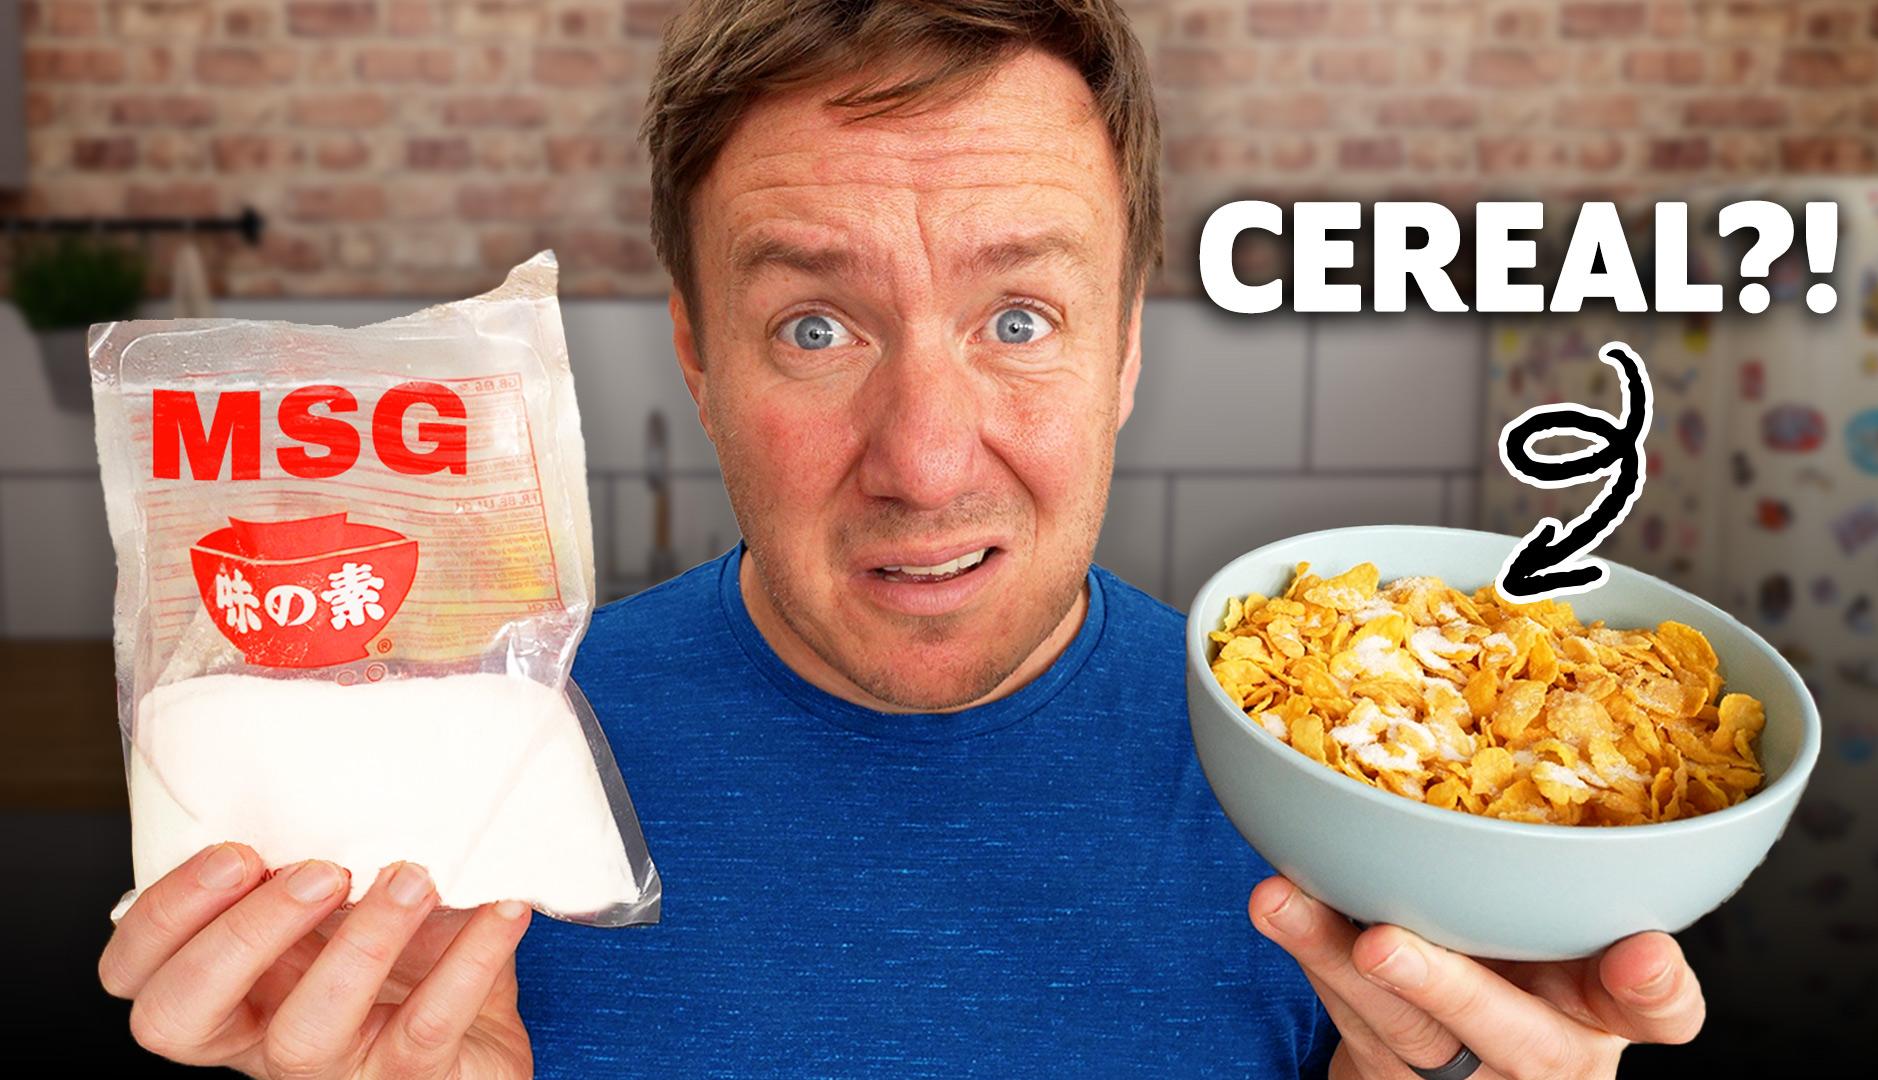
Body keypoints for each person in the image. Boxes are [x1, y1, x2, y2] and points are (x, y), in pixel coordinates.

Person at [98, 2, 1707, 1077]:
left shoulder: (1369, 809)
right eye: (814, 327)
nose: (927, 461)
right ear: (696, 355)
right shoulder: (464, 806)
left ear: (1126, 348)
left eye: (1021, 317)